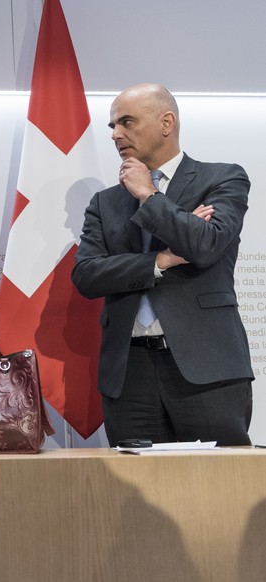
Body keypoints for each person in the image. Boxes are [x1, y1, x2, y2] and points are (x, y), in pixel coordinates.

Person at [72, 83, 253, 446]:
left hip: (207, 367)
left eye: (126, 122)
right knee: (135, 495)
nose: (116, 134)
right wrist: (162, 259)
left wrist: (148, 194)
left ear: (167, 122)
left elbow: (205, 245)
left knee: (218, 490)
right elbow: (87, 275)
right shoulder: (105, 203)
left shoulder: (222, 178)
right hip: (129, 372)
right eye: (112, 127)